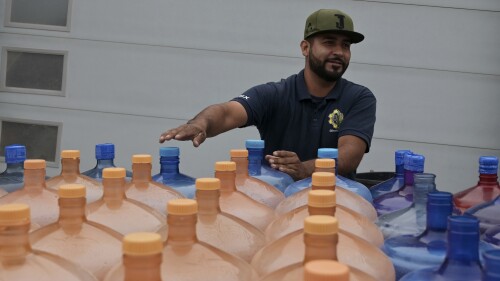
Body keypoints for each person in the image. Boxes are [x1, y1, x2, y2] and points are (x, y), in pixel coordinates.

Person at [159, 9, 376, 181]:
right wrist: (201, 124)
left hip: (337, 207)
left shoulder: (359, 98)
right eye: (329, 42)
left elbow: (349, 156)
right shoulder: (276, 94)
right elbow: (227, 112)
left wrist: (304, 169)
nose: (339, 51)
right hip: (277, 205)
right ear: (305, 48)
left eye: (345, 45)